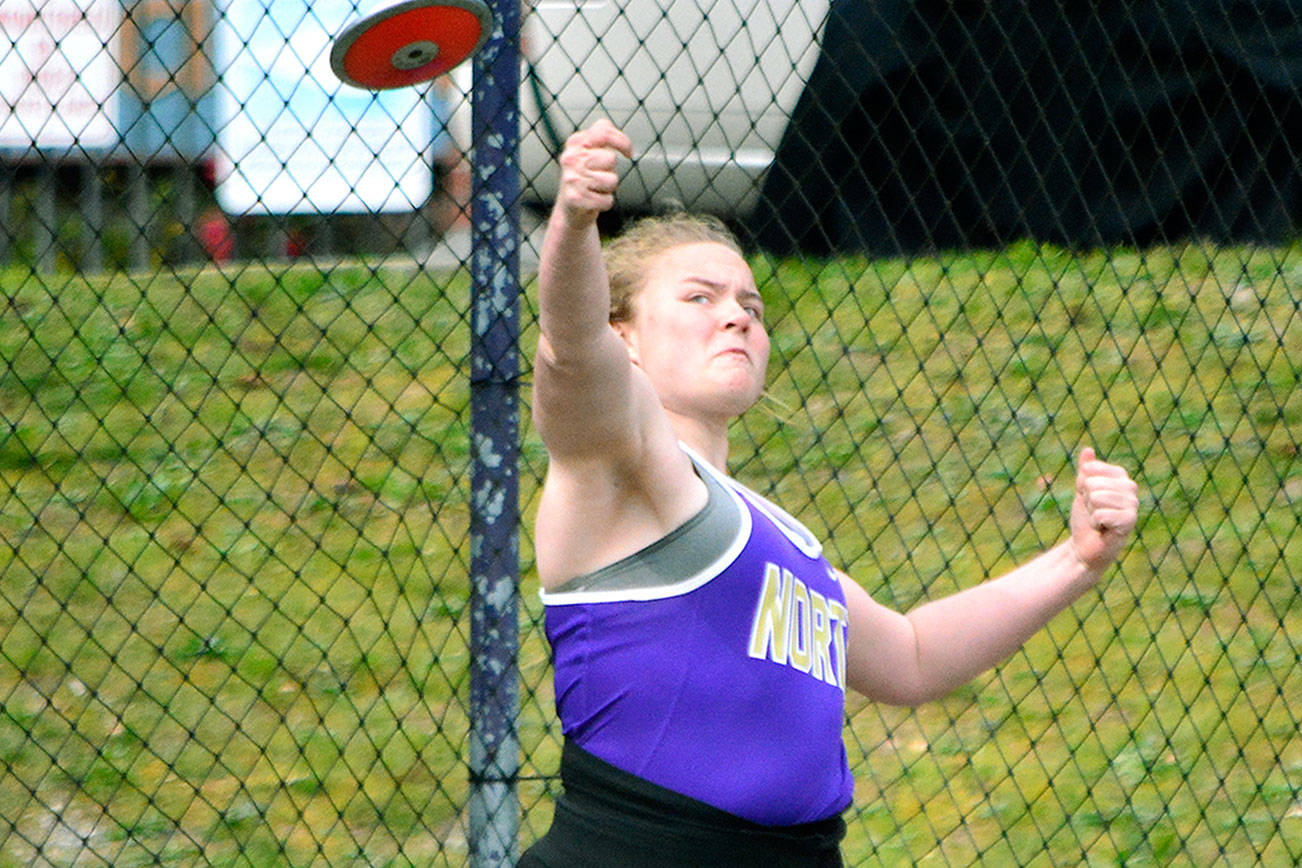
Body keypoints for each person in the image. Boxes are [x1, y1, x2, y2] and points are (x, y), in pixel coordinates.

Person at [518, 120, 1140, 867]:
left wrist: (1075, 561)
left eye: (750, 303)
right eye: (699, 296)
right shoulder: (617, 466)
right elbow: (570, 349)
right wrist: (574, 224)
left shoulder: (774, 536)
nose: (737, 315)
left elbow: (911, 658)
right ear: (626, 337)